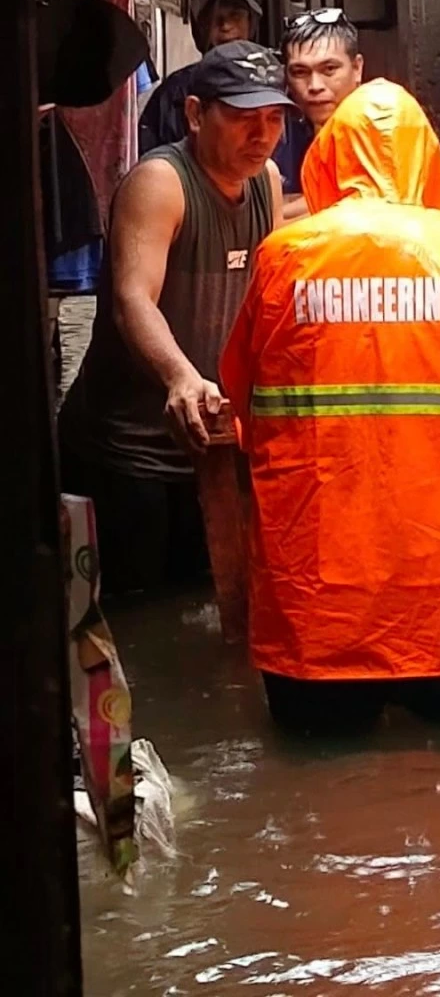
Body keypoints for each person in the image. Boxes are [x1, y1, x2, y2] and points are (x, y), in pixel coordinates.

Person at [220, 79, 440, 735]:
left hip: (317, 598)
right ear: (427, 156)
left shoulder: (283, 259)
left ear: (328, 157)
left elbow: (240, 399)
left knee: (315, 794)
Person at [58, 41, 289, 596]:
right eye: (240, 118)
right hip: (127, 449)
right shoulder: (161, 181)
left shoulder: (268, 181)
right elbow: (132, 299)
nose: (260, 135)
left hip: (209, 447)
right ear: (194, 114)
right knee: (134, 622)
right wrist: (180, 375)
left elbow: (267, 295)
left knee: (206, 614)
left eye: (273, 118)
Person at [138, 0, 261, 154]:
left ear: (251, 23)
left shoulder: (271, 84)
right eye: (214, 18)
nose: (226, 26)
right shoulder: (173, 95)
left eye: (235, 15)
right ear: (199, 30)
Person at [274, 8, 364, 221]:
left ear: (357, 68)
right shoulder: (276, 129)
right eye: (300, 72)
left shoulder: (382, 121)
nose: (314, 86)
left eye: (329, 69)